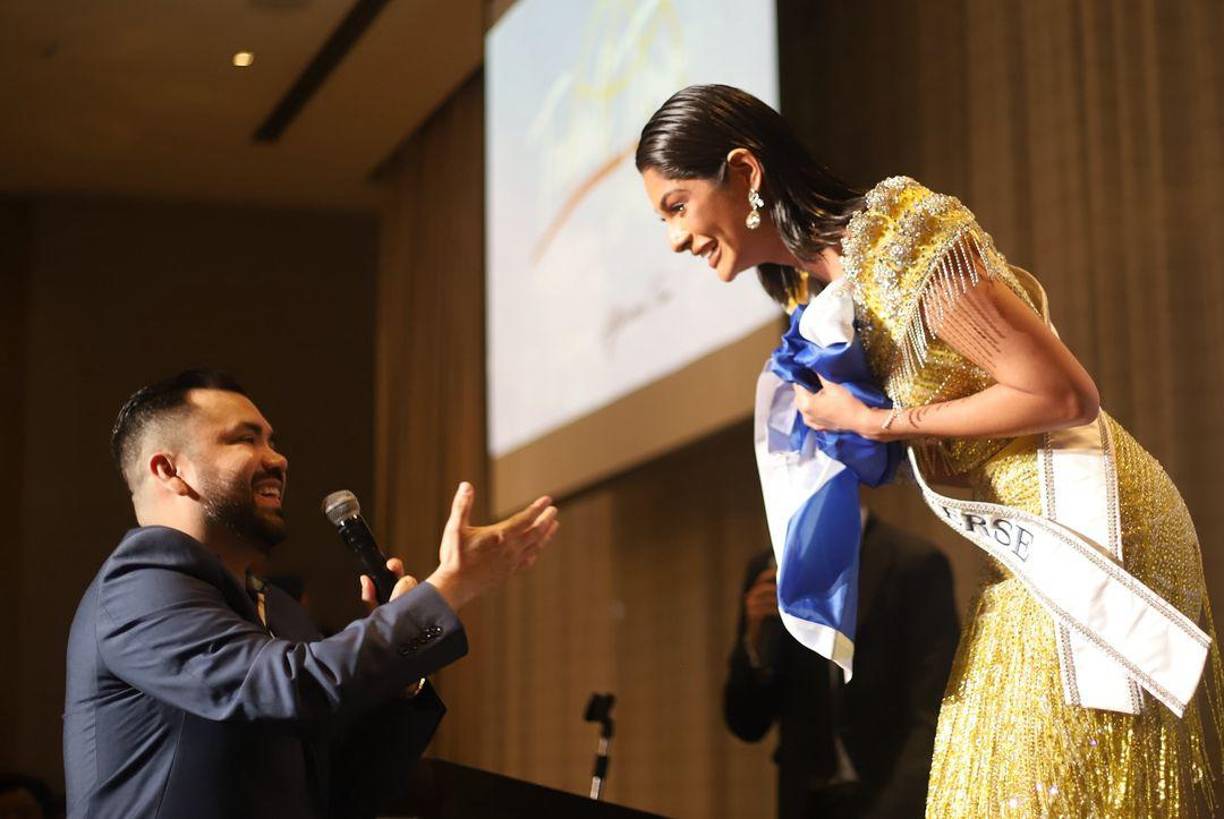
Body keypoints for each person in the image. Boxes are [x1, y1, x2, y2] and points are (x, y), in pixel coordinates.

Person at [637, 84, 1223, 817]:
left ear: (745, 174)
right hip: (1014, 544)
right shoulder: (807, 294)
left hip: (1087, 527)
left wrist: (876, 422)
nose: (675, 239)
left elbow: (1064, 395)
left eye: (676, 205)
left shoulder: (894, 236)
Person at [63, 369, 559, 819]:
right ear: (170, 470)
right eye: (245, 439)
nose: (277, 458)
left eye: (272, 441)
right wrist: (450, 588)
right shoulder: (138, 585)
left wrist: (403, 683)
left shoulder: (278, 612)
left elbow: (340, 791)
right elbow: (286, 685)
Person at [724, 511, 958, 819]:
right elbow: (747, 724)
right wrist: (753, 642)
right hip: (805, 803)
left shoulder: (913, 562)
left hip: (894, 797)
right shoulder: (771, 568)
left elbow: (932, 713)